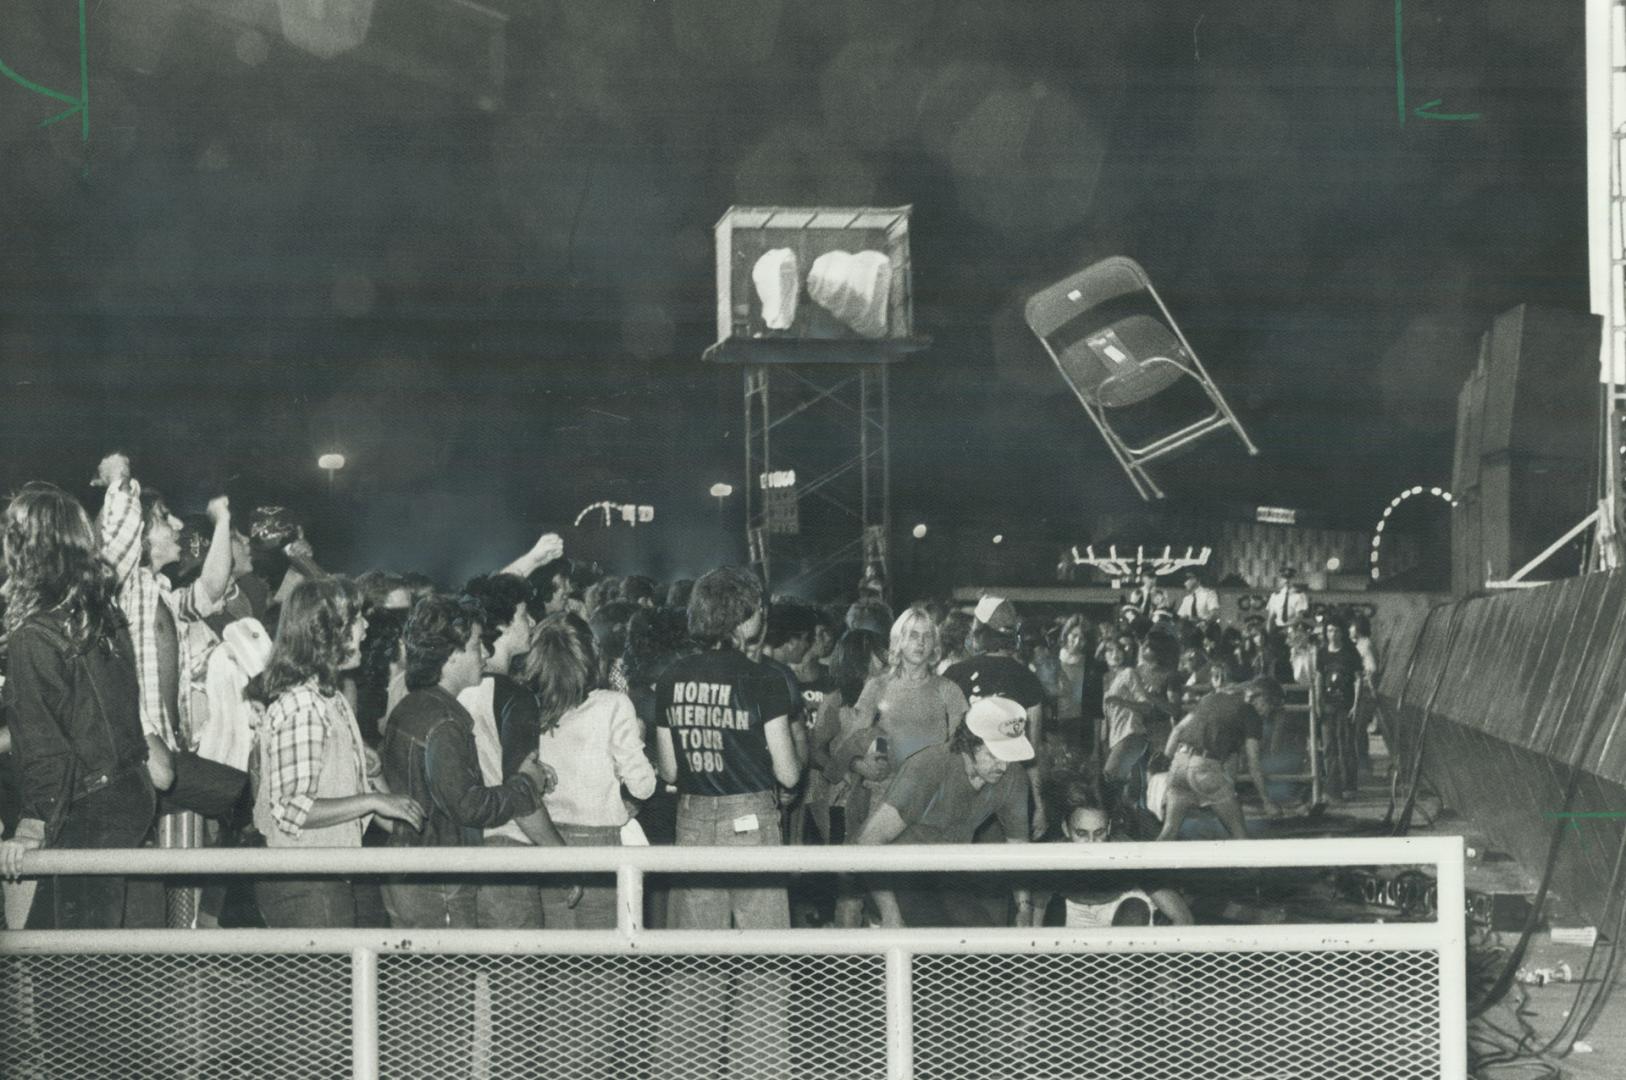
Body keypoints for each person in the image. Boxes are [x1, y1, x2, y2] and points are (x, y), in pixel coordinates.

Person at [652, 566, 801, 1080]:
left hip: (693, 820)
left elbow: (669, 770)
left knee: (694, 967)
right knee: (764, 964)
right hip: (752, 820)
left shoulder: (671, 679)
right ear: (743, 618)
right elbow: (787, 771)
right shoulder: (765, 678)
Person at [0, 483, 156, 929]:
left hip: (85, 805)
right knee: (97, 952)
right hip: (129, 788)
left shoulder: (35, 634)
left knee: (69, 971)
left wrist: (32, 827)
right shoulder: (103, 614)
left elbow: (46, 744)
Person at [250, 578, 425, 926]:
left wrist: (364, 772)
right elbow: (291, 810)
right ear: (327, 633)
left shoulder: (332, 700)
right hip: (304, 883)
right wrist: (372, 801)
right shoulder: (304, 705)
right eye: (356, 619)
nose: (365, 627)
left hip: (322, 877)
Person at [378, 595, 551, 929]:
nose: (485, 653)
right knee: (447, 981)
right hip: (439, 879)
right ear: (450, 656)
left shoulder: (411, 707)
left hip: (410, 870)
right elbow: (469, 807)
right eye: (475, 646)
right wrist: (525, 784)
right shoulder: (444, 723)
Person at [856, 696, 1035, 927]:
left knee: (982, 939)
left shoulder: (1012, 775)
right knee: (931, 937)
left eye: (1009, 757)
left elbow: (1018, 847)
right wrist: (889, 912)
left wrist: (1024, 907)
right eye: (993, 755)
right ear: (970, 745)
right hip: (895, 874)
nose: (1003, 766)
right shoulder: (928, 767)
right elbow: (869, 841)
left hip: (947, 873)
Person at [456, 573, 567, 930]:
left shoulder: (453, 689)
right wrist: (565, 858)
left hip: (460, 849)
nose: (532, 622)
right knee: (515, 980)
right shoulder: (515, 698)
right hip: (506, 850)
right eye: (523, 615)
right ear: (502, 624)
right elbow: (521, 795)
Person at [532, 612, 656, 928]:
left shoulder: (530, 709)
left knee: (559, 956)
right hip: (600, 841)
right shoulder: (613, 705)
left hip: (546, 841)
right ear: (591, 654)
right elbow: (643, 786)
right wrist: (638, 740)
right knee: (603, 964)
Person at [942, 596, 1048, 838]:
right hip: (1010, 784)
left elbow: (944, 740)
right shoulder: (1028, 679)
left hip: (962, 782)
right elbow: (1033, 751)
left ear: (979, 630)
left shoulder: (954, 674)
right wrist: (1040, 806)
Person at [1158, 677, 1285, 840]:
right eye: (1270, 706)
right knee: (1240, 835)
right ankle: (1249, 866)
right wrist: (1266, 800)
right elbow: (1253, 763)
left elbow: (1177, 730)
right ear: (1260, 698)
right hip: (1204, 769)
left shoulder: (1211, 698)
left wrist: (1164, 765)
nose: (1267, 713)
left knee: (1169, 831)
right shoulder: (1250, 714)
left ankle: (1143, 865)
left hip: (1179, 764)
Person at [854, 606, 969, 778]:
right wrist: (864, 763)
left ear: (935, 644)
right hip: (886, 787)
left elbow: (958, 747)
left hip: (931, 786)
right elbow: (856, 739)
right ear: (899, 640)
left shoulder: (949, 690)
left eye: (927, 636)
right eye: (913, 635)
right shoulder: (877, 686)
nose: (921, 642)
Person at [1317, 619, 1363, 801]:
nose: (1333, 634)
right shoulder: (1322, 653)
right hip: (1328, 706)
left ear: (1341, 633)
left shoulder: (1351, 653)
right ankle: (1332, 788)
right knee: (1329, 747)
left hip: (1346, 706)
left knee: (1346, 747)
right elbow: (1319, 678)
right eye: (1329, 631)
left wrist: (1356, 705)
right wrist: (1318, 703)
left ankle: (1349, 786)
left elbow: (1358, 679)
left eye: (1336, 630)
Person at [1264, 568, 1309, 633]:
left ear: (1294, 579)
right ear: (1280, 580)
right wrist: (1268, 633)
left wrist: (1286, 629)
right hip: (1277, 628)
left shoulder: (1300, 595)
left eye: (1290, 578)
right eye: (1284, 578)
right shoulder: (1275, 595)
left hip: (1293, 629)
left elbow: (1299, 617)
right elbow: (1271, 617)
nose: (1287, 580)